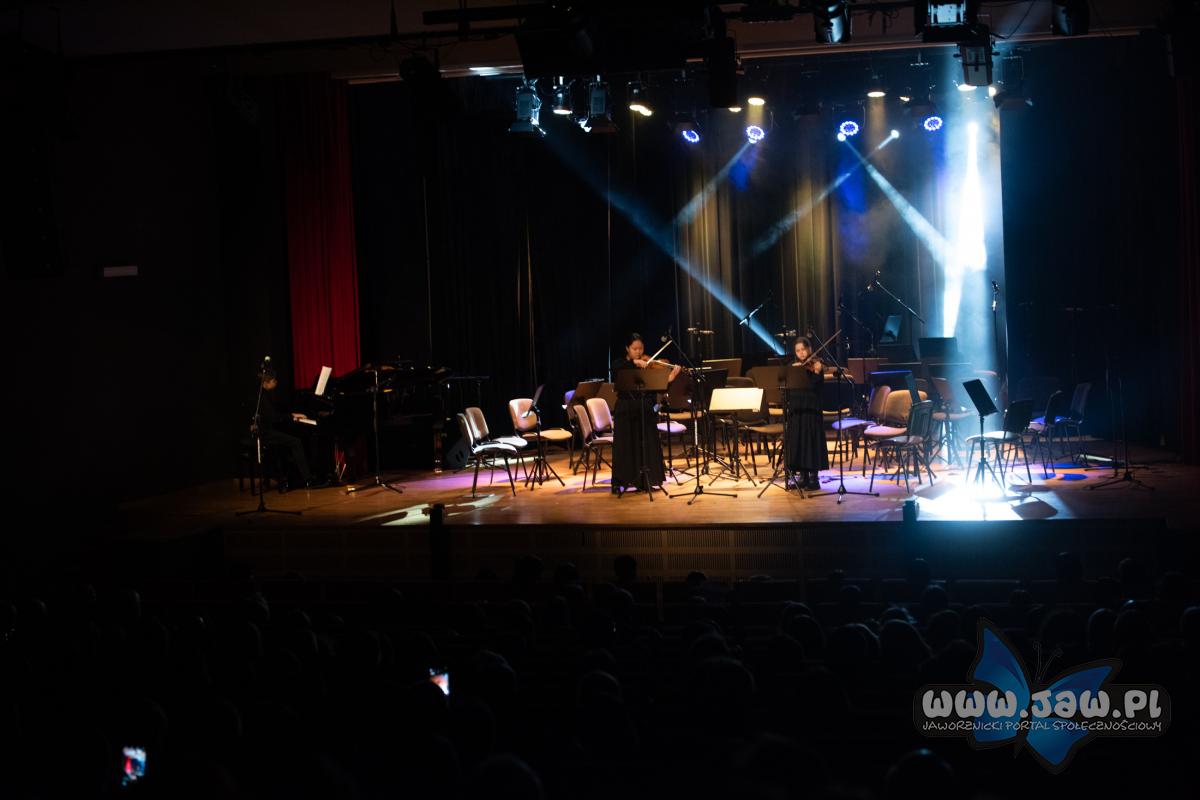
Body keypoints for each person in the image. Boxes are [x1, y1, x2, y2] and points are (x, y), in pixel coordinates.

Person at [609, 333, 680, 494]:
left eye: (641, 349)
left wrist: (669, 379)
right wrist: (634, 363)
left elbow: (656, 388)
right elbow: (616, 368)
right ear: (627, 348)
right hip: (626, 409)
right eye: (634, 349)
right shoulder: (621, 364)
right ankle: (620, 481)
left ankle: (646, 480)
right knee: (625, 446)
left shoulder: (647, 365)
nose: (638, 352)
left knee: (647, 443)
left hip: (644, 408)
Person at [250, 369, 317, 489]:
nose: (276, 383)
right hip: (265, 433)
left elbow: (276, 414)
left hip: (268, 429)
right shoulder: (262, 397)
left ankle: (292, 476)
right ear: (266, 383)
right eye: (273, 381)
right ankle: (307, 479)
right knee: (296, 442)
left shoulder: (263, 394)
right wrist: (292, 416)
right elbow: (274, 417)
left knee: (293, 440)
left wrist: (291, 415)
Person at [784, 336, 829, 491]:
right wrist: (794, 371)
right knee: (799, 441)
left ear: (809, 349)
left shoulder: (816, 365)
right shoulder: (792, 366)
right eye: (798, 350)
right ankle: (802, 477)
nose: (801, 353)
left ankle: (814, 478)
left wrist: (817, 372)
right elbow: (788, 387)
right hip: (797, 408)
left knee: (811, 441)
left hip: (811, 408)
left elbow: (817, 387)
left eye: (803, 349)